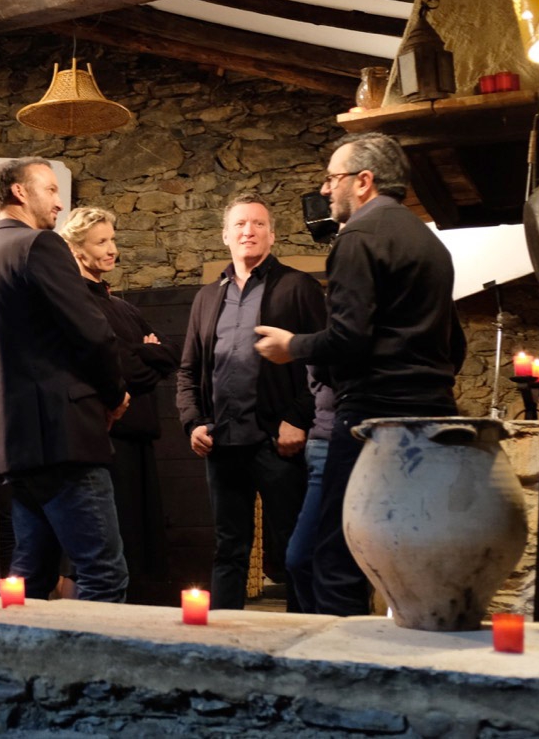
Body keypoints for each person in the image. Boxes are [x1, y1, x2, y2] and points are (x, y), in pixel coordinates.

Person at [255, 132, 466, 616]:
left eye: (333, 178)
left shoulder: (358, 238)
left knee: (331, 559)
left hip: (373, 419)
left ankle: (338, 660)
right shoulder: (428, 242)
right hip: (433, 417)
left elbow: (348, 339)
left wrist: (293, 347)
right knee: (412, 555)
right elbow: (454, 346)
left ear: (363, 181)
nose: (325, 189)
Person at [0, 157, 131, 603]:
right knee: (103, 574)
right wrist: (115, 394)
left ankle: (14, 652)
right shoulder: (38, 245)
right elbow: (93, 332)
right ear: (20, 192)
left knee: (30, 578)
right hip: (62, 436)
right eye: (51, 190)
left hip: (17, 442)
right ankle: (88, 656)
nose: (60, 203)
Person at [176, 194, 324, 611]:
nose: (249, 231)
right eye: (240, 224)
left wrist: (299, 418)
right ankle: (224, 638)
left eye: (258, 224)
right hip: (222, 442)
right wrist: (193, 422)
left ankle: (303, 638)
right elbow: (188, 371)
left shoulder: (298, 287)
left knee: (295, 550)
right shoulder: (207, 297)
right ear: (225, 235)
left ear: (272, 235)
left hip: (277, 442)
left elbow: (322, 359)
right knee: (229, 549)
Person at [59, 207, 178, 597]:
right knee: (98, 547)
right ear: (76, 250)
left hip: (137, 437)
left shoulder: (124, 307)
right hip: (105, 438)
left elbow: (167, 356)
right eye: (101, 242)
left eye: (112, 240)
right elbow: (118, 366)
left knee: (134, 546)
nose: (112, 249)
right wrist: (145, 354)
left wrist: (143, 356)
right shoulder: (78, 302)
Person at [283, 368, 335, 613]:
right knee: (302, 558)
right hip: (319, 445)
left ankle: (333, 629)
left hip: (344, 442)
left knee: (305, 557)